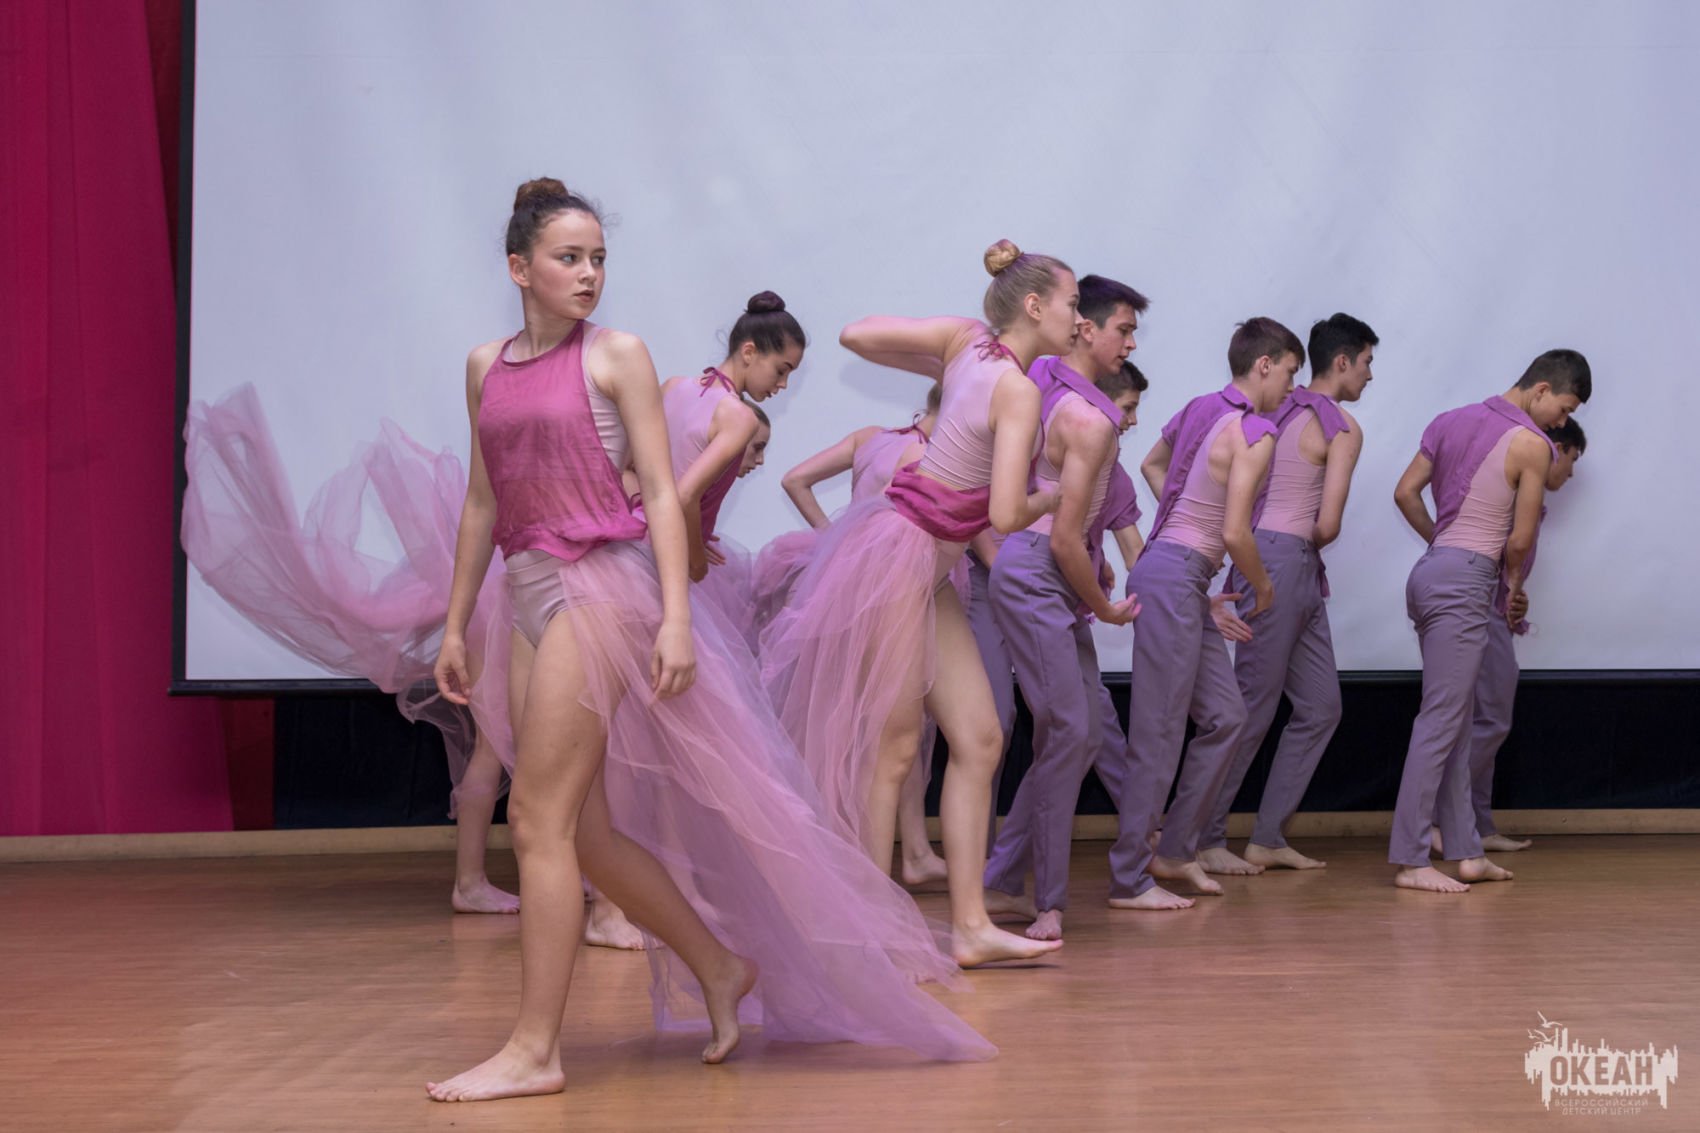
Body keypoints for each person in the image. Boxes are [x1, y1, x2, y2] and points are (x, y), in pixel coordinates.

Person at [426, 179, 994, 1102]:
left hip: (599, 589)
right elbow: (483, 501)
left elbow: (661, 492)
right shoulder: (484, 365)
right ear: (519, 268)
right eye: (569, 258)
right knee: (587, 832)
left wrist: (677, 619)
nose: (589, 273)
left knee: (535, 819)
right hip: (525, 589)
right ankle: (722, 967)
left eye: (598, 258)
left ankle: (535, 1049)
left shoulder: (617, 355)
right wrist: (457, 622)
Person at [760, 240, 1077, 966]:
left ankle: (968, 927)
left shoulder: (965, 343)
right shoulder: (1016, 387)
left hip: (921, 566)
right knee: (896, 746)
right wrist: (1053, 496)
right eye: (1072, 304)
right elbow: (1005, 513)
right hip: (901, 559)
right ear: (1035, 307)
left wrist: (944, 361)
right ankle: (873, 930)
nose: (1079, 319)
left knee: (981, 738)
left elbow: (856, 334)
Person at [1107, 318, 1298, 910]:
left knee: (1226, 716)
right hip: (1176, 576)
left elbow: (1152, 466)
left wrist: (1185, 539)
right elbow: (1237, 532)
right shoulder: (1257, 431)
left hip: (1181, 577)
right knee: (1160, 731)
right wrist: (1262, 587)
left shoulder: (1200, 408)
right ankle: (1129, 878)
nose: (1292, 387)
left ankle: (1173, 851)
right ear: (1264, 365)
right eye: (1290, 373)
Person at [981, 275, 1148, 941]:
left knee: (1076, 734)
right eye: (1123, 330)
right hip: (1037, 571)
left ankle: (1003, 878)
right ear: (1085, 328)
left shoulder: (1047, 377)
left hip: (1046, 573)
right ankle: (1045, 901)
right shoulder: (1090, 418)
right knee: (1072, 733)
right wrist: (1105, 607)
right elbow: (1061, 538)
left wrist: (1090, 567)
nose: (1130, 344)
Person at [1387, 348, 1590, 892]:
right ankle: (1410, 859)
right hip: (1467, 580)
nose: (1561, 422)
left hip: (1433, 573)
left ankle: (1468, 852)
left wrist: (1443, 546)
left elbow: (1405, 492)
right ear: (1542, 389)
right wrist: (1512, 585)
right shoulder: (1532, 444)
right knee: (1440, 721)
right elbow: (1519, 540)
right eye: (1565, 408)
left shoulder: (1449, 420)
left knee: (1455, 720)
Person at [1198, 313, 1378, 874]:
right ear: (1342, 361)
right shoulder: (1342, 426)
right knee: (1252, 706)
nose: (1370, 375)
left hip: (1282, 561)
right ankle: (1203, 837)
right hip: (1284, 557)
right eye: (1367, 362)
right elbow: (1328, 525)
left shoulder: (1269, 405)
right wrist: (1285, 549)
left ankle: (1268, 837)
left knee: (1321, 707)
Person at [1437, 417, 1587, 856]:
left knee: (1482, 721)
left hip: (1488, 609)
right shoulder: (1514, 498)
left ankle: (1477, 825)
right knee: (1490, 720)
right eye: (1572, 459)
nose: (1571, 472)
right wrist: (1506, 591)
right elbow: (1501, 554)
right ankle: (1439, 818)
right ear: (1555, 450)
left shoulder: (1524, 500)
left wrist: (1514, 598)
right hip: (1478, 609)